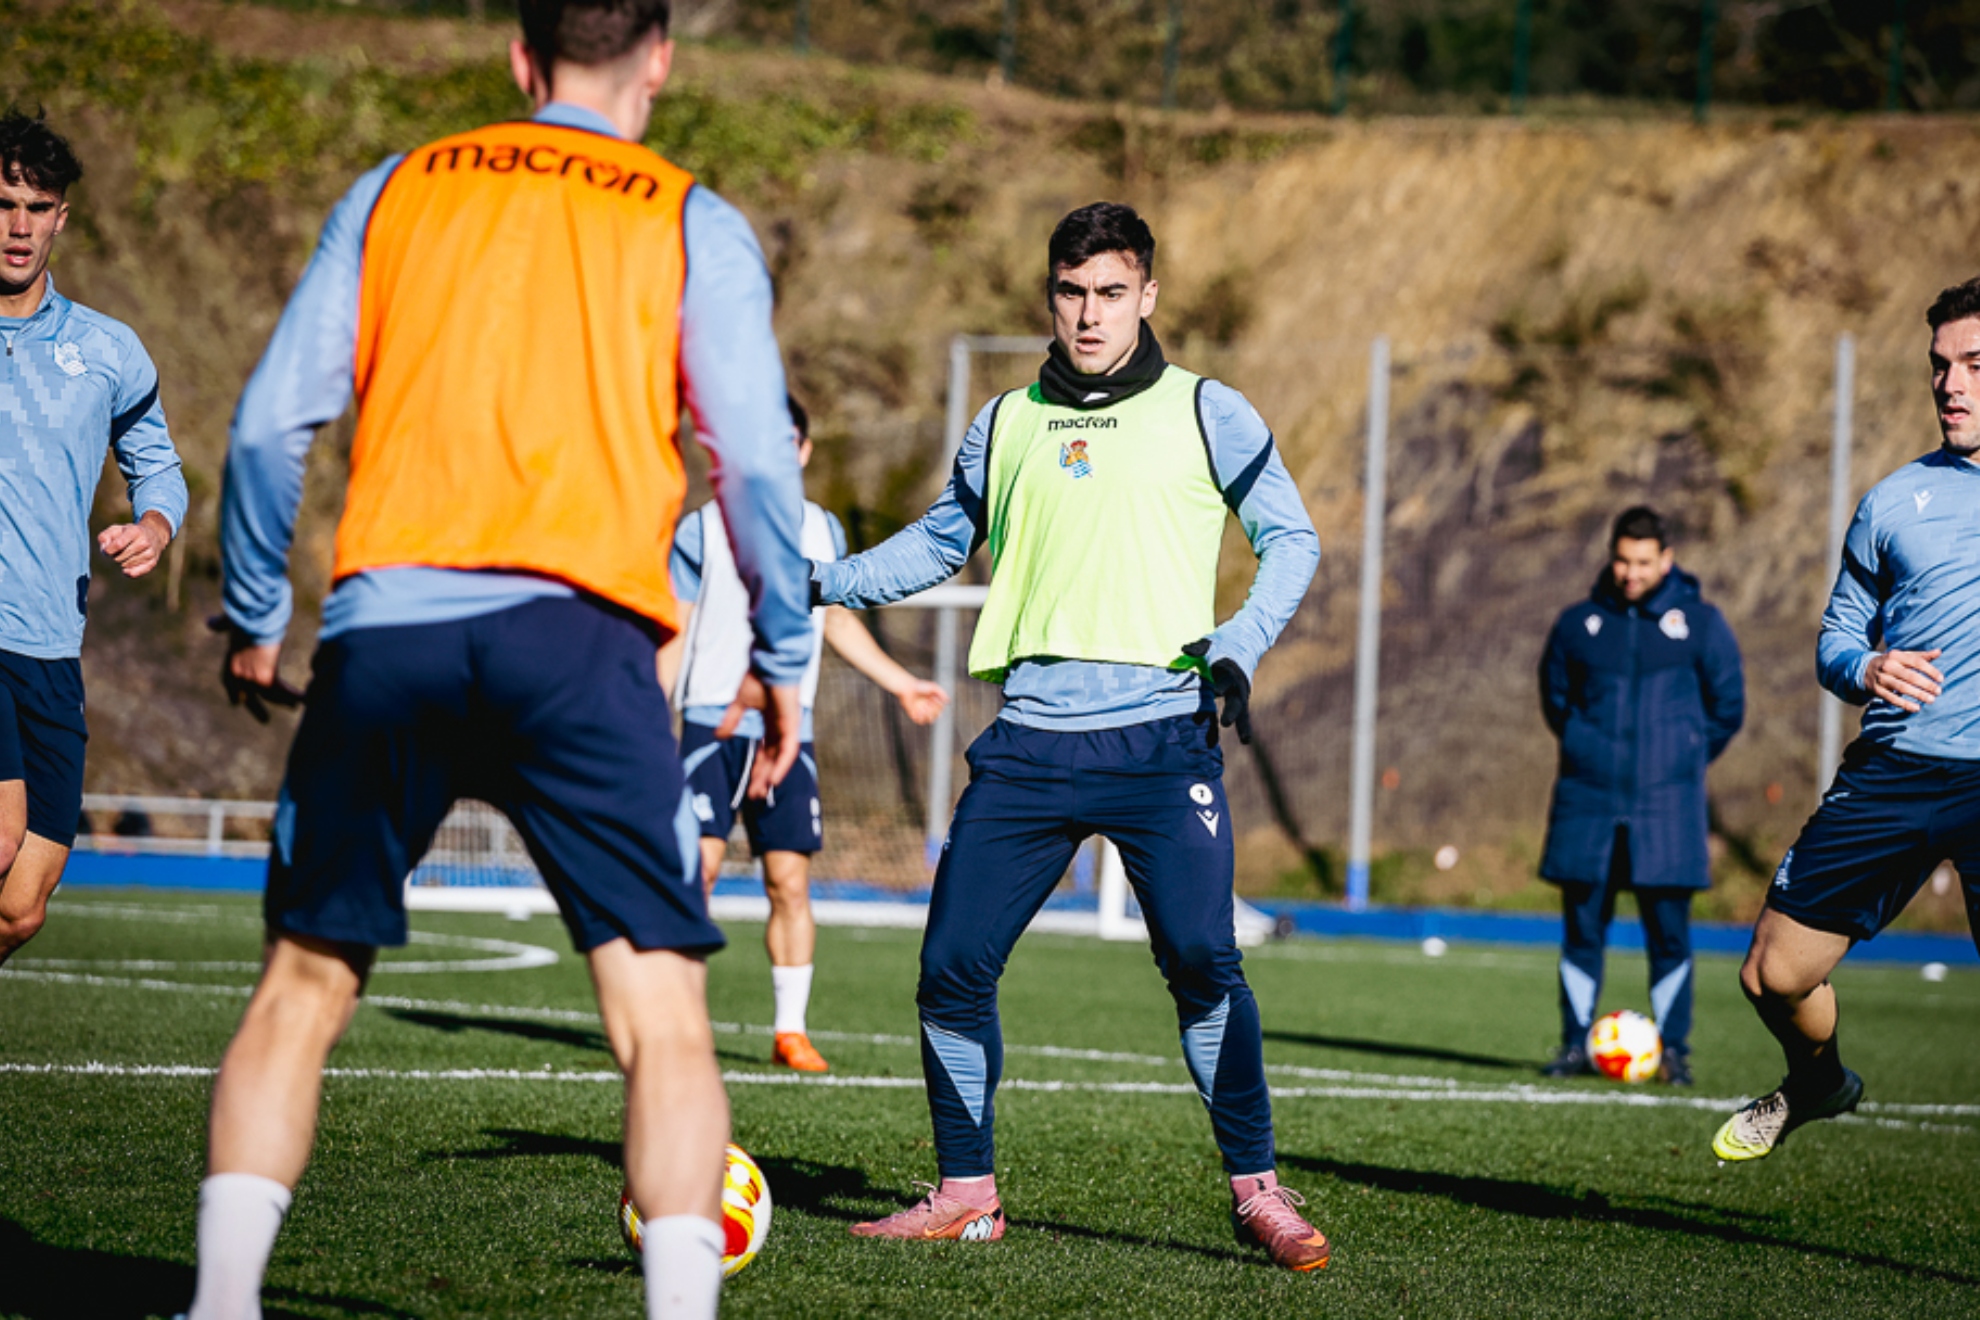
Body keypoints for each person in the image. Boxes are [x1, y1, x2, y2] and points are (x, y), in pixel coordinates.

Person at [186, 3, 811, 1317]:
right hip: (581, 643)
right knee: (662, 1023)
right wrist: (785, 655)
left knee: (303, 987)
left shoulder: (397, 188)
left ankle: (225, 1303)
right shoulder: (690, 216)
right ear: (660, 61)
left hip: (389, 631)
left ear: (521, 62)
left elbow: (260, 430)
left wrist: (255, 615)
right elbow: (753, 464)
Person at [816, 202, 1329, 1270]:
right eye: (1070, 292)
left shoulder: (1208, 412)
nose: (1088, 314)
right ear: (1048, 297)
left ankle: (1258, 1188)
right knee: (951, 968)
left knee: (1202, 959)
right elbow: (936, 545)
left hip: (1161, 741)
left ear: (1148, 295)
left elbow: (1290, 536)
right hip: (1031, 745)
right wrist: (823, 579)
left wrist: (1240, 640)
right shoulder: (1003, 423)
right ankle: (966, 1193)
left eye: (1109, 292)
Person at [1713, 276, 1980, 1162]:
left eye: (1975, 365)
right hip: (1896, 773)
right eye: (1941, 365)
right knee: (1772, 974)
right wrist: (1868, 665)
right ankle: (1820, 1081)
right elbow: (1833, 641)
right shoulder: (1894, 501)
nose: (1952, 384)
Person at [659, 393, 948, 1073]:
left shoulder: (823, 531)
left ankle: (790, 1031)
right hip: (709, 719)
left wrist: (901, 682)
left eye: (786, 440)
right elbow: (675, 626)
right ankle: (673, 1025)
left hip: (792, 725)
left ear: (804, 449)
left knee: (788, 881)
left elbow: (838, 618)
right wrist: (646, 712)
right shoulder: (704, 528)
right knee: (693, 872)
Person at [0, 110, 187, 967]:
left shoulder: (107, 350)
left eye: (37, 206)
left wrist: (155, 524)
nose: (17, 224)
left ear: (62, 217)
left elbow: (160, 467)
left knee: (21, 906)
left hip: (51, 642)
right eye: (4, 201)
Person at [1536, 506, 1745, 1086]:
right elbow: (1556, 700)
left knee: (1669, 933)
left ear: (1667, 560)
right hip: (1589, 801)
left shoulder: (1701, 624)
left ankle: (1674, 1050)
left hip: (1667, 806)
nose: (1631, 573)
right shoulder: (1578, 623)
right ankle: (1575, 1044)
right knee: (1581, 929)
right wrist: (1587, 746)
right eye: (1623, 561)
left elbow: (1728, 708)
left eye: (1644, 562)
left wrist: (1679, 756)